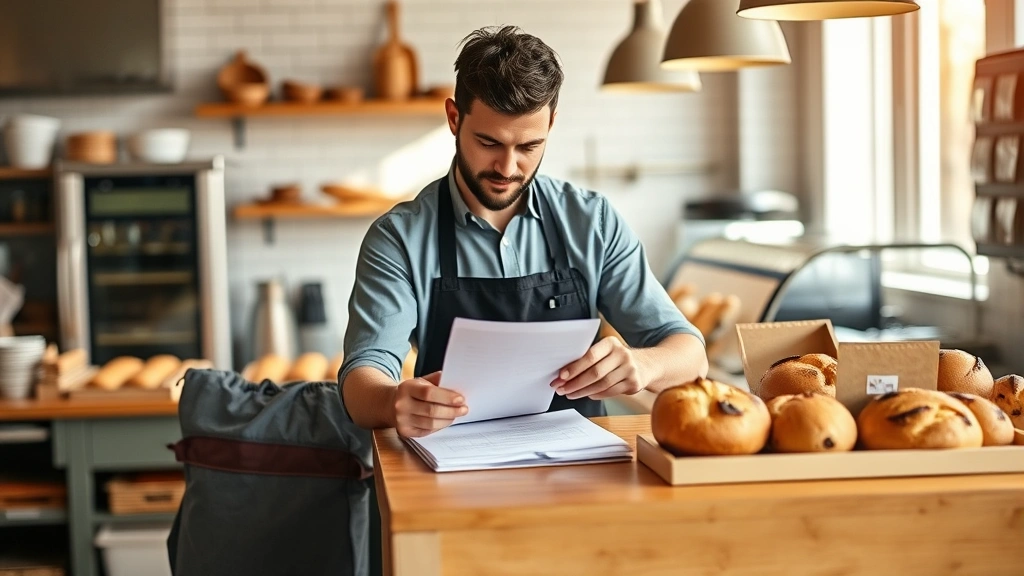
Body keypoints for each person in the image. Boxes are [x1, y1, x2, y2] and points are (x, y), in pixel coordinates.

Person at [340, 25, 708, 438]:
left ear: (551, 124)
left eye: (528, 147)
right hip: (449, 478)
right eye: (489, 142)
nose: (508, 167)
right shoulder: (398, 238)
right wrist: (392, 402)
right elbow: (362, 378)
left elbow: (690, 354)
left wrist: (644, 365)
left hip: (581, 473)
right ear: (453, 118)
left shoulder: (593, 222)